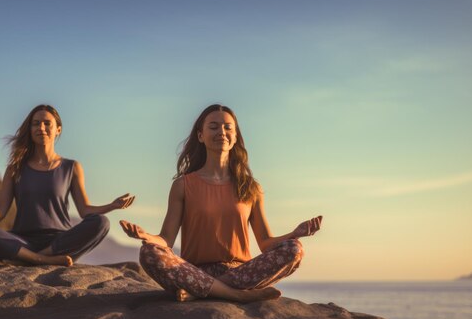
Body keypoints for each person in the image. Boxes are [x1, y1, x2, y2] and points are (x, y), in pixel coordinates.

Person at [120, 104, 322, 303]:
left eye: (228, 127)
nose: (222, 132)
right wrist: (144, 236)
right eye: (214, 127)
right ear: (201, 136)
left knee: (294, 249)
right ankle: (235, 295)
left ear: (235, 137)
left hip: (238, 272)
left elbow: (265, 243)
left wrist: (295, 233)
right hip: (194, 270)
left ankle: (203, 291)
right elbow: (166, 239)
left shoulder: (251, 187)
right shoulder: (183, 185)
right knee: (149, 251)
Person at [0, 104, 134, 266]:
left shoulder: (71, 167)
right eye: (35, 124)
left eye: (47, 123)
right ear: (29, 130)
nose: (41, 128)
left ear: (58, 129)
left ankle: (31, 258)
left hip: (58, 242)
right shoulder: (15, 169)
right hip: (22, 241)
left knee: (101, 223)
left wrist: (112, 206)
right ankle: (41, 260)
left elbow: (85, 211)